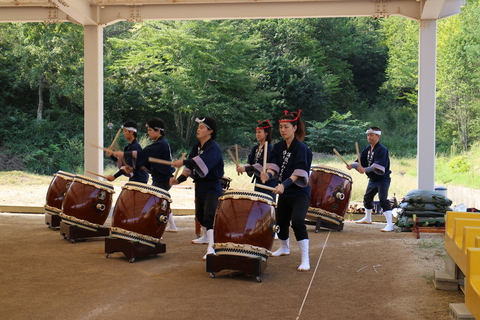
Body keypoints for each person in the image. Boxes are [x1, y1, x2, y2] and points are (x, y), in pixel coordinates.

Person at [260, 110, 313, 271]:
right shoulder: (278, 147)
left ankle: (305, 259)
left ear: (295, 128)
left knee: (297, 221)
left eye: (286, 127)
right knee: (281, 222)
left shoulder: (301, 148)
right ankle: (284, 247)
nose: (283, 130)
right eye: (281, 127)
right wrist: (267, 175)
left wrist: (283, 185)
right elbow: (274, 167)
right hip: (284, 191)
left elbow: (299, 172)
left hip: (299, 192)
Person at [170, 117, 224, 260]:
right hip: (200, 185)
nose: (198, 130)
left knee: (209, 215)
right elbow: (189, 168)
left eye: (201, 127)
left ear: (210, 131)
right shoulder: (196, 147)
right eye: (198, 127)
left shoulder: (213, 147)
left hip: (212, 186)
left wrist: (182, 161)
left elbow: (200, 162)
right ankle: (205, 237)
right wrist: (178, 180)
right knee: (200, 214)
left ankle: (212, 246)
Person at [113, 117, 178, 231]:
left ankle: (154, 230)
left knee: (154, 203)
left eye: (150, 130)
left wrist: (124, 154)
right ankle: (171, 225)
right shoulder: (159, 144)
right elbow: (146, 160)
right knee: (160, 201)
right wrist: (132, 169)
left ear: (158, 130)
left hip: (164, 179)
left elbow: (143, 153)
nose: (148, 133)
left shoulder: (161, 144)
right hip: (160, 178)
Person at [346, 126, 394, 232]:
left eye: (371, 135)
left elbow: (378, 166)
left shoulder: (382, 149)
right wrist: (352, 166)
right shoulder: (367, 149)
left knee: (383, 200)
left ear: (378, 136)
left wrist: (365, 169)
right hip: (373, 179)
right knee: (367, 198)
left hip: (383, 179)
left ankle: (390, 224)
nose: (369, 137)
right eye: (368, 135)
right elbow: (358, 161)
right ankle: (368, 218)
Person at [236, 119, 277, 200]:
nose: (257, 134)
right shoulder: (255, 148)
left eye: (259, 132)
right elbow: (250, 161)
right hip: (258, 180)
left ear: (266, 133)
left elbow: (261, 164)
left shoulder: (270, 148)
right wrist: (243, 168)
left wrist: (244, 169)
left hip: (268, 181)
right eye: (256, 132)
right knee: (257, 203)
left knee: (267, 204)